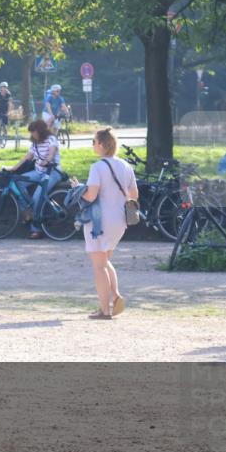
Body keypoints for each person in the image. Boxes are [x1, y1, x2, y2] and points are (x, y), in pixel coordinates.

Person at [70, 127, 138, 320]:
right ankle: (115, 297)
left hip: (100, 221)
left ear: (101, 144)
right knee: (105, 262)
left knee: (99, 266)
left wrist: (77, 189)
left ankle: (105, 310)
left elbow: (91, 196)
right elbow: (134, 195)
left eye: (94, 141)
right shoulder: (126, 166)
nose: (93, 145)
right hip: (120, 220)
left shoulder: (97, 167)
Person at [5, 119, 63, 239]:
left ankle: (36, 229)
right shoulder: (35, 144)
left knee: (37, 198)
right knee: (19, 180)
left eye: (34, 132)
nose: (32, 134)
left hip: (51, 172)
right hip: (38, 172)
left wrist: (46, 161)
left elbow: (51, 154)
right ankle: (28, 209)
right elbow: (27, 157)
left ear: (40, 131)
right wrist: (13, 168)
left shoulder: (52, 139)